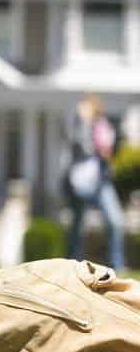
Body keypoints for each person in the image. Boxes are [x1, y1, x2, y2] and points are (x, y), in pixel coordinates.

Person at [65, 94, 126, 270]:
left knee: (114, 221)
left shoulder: (103, 126)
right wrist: (83, 122)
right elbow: (79, 145)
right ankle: (72, 264)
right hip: (80, 181)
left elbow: (109, 149)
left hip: (101, 181)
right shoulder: (78, 126)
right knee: (77, 225)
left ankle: (117, 264)